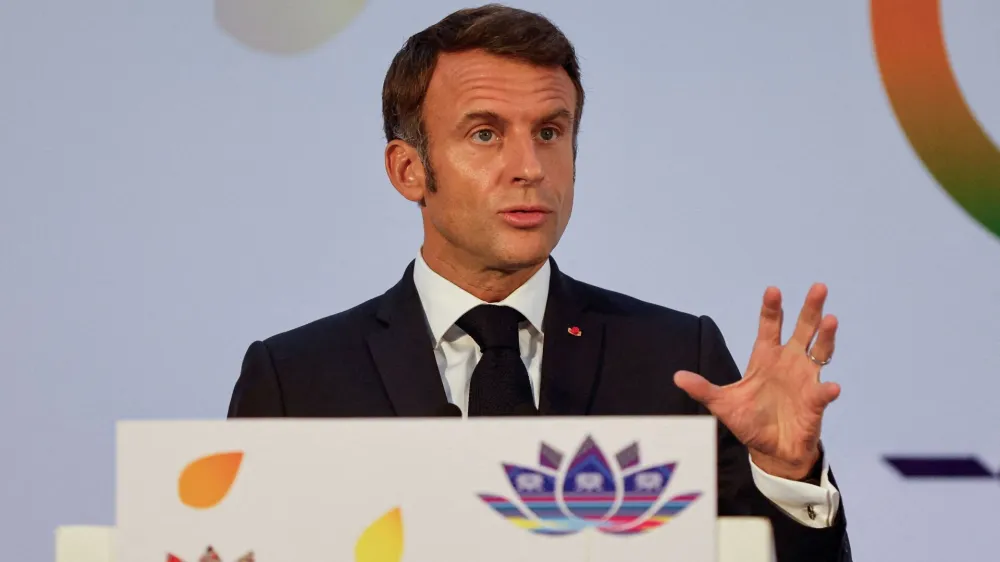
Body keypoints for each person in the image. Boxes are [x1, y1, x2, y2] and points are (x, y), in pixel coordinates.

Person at [227, 4, 850, 561]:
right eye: (485, 134)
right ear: (409, 169)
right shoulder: (296, 379)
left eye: (550, 133)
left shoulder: (675, 360)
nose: (529, 168)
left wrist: (785, 473)